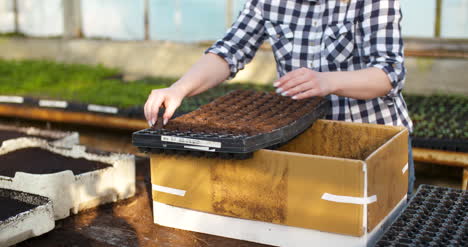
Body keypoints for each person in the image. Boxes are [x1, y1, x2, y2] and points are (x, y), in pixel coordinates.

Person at [144, 0, 415, 194]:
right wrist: (179, 88)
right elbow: (229, 50)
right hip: (301, 140)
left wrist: (327, 81)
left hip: (372, 142)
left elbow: (389, 73)